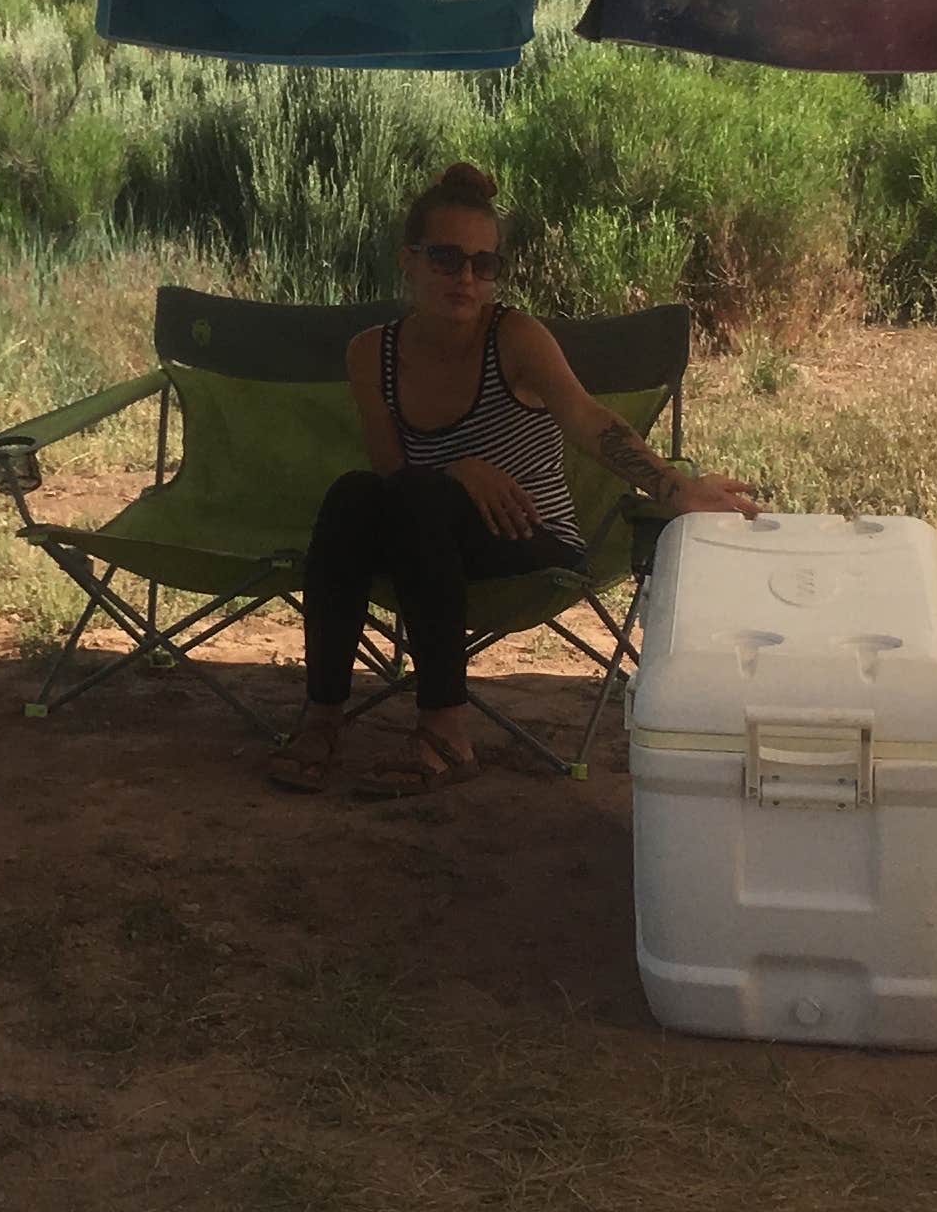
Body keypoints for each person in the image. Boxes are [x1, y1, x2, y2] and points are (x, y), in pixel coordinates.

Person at [272, 162, 759, 800]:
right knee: (353, 494)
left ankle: (446, 731)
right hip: (424, 534)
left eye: (484, 264)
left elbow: (588, 419)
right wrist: (458, 471)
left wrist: (675, 489)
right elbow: (390, 469)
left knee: (415, 499)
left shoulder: (514, 338)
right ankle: (322, 716)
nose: (466, 279)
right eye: (446, 259)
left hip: (530, 538)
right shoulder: (371, 354)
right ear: (409, 261)